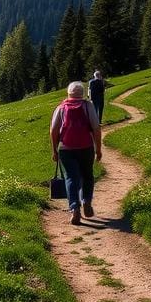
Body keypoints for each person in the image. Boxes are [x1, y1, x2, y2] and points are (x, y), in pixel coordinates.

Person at [50, 81, 102, 225]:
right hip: (86, 147)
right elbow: (96, 128)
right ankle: (86, 201)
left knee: (71, 178)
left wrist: (54, 150)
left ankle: (74, 209)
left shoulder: (61, 108)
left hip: (66, 149)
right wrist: (98, 149)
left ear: (69, 93)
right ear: (82, 93)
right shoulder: (88, 105)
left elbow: (53, 130)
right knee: (87, 176)